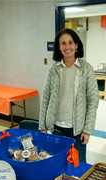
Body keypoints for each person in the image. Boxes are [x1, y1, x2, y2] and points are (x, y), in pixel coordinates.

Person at [39, 28, 99, 162]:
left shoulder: (86, 69)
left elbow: (93, 101)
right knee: (56, 163)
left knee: (76, 167)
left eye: (70, 42)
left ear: (76, 45)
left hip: (77, 130)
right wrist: (42, 126)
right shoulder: (54, 69)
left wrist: (87, 130)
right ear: (59, 47)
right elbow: (46, 98)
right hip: (55, 128)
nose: (67, 47)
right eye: (63, 43)